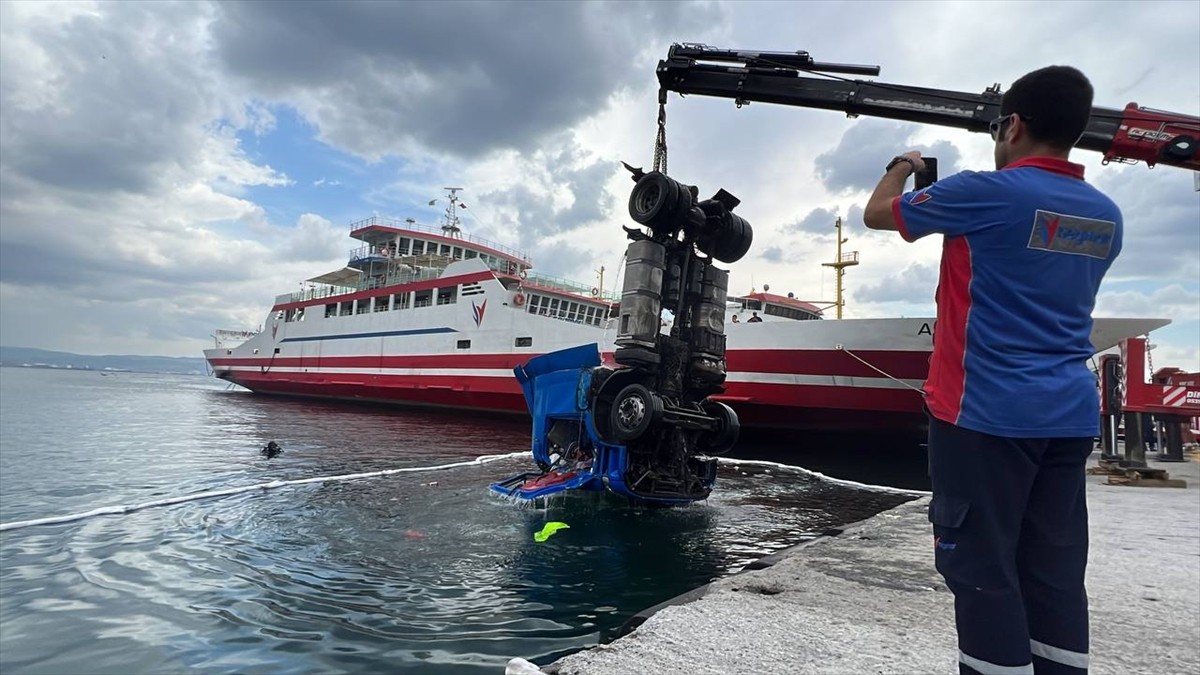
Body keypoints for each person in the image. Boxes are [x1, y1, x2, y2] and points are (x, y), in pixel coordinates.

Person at [863, 65, 1121, 675]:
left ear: (1013, 124)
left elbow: (879, 214)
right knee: (1053, 572)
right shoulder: (1104, 216)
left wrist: (902, 166)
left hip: (981, 414)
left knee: (982, 572)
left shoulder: (987, 191)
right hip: (1067, 417)